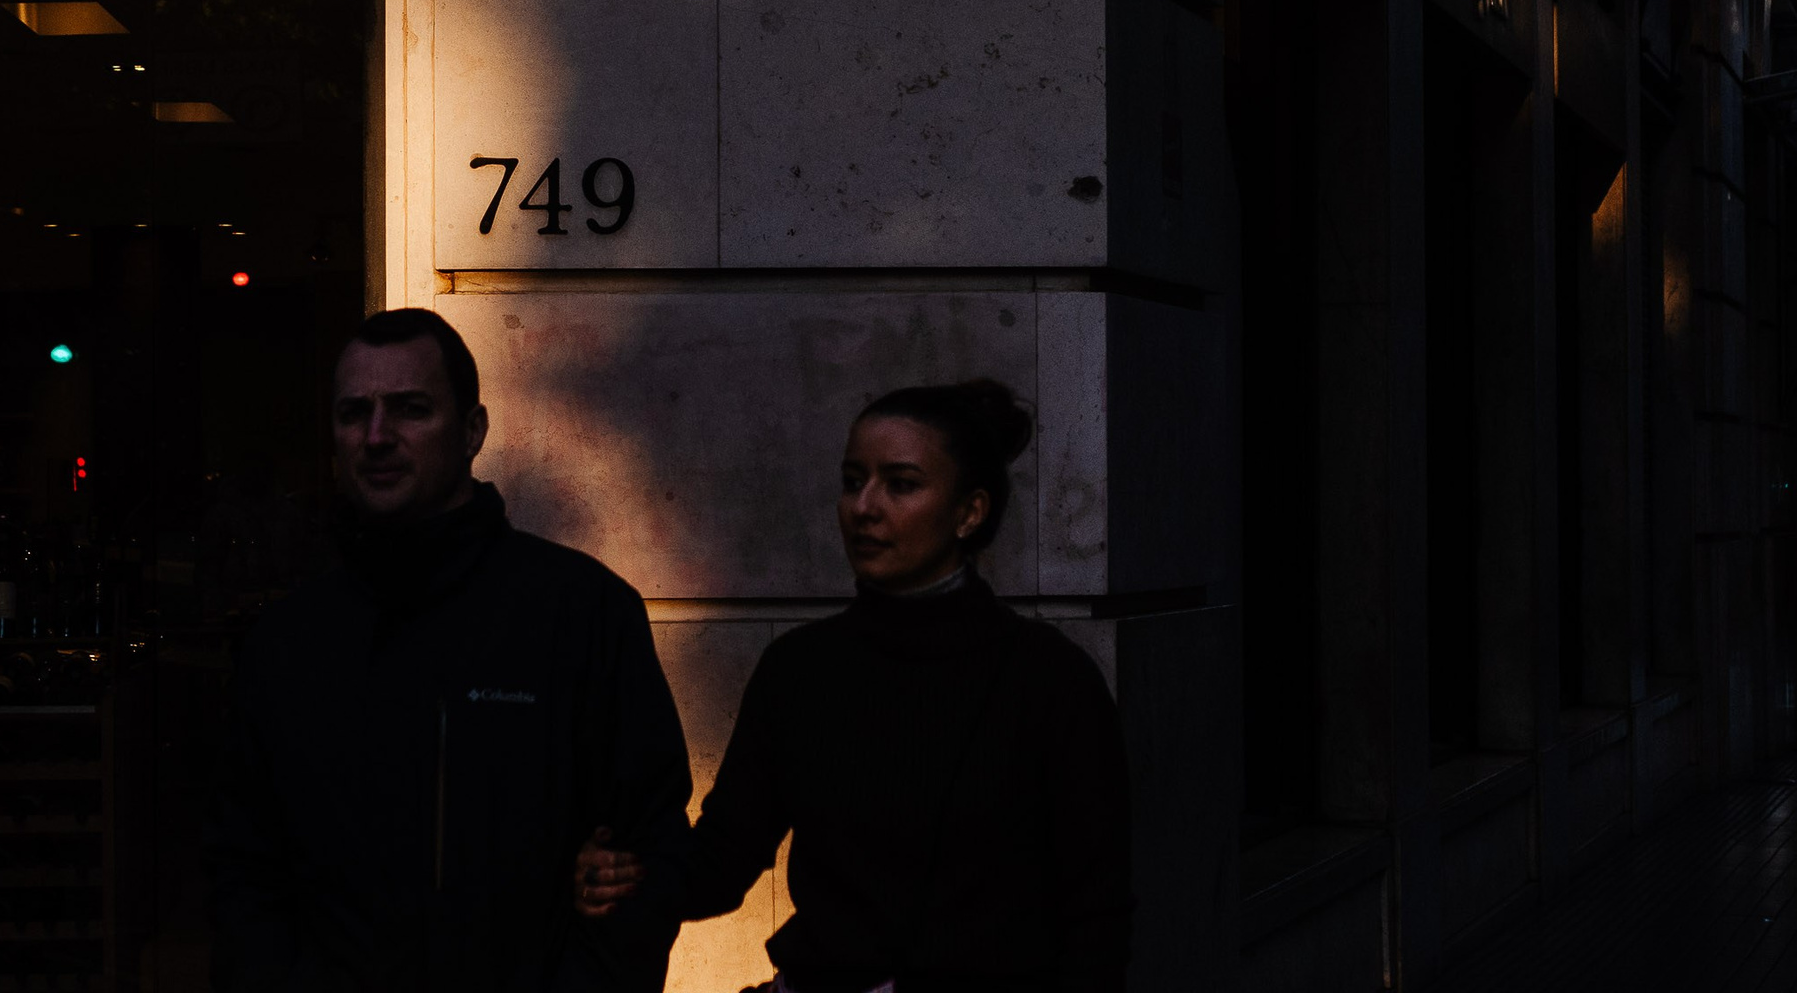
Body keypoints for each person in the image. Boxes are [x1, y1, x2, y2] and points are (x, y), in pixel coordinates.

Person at [575, 378, 1134, 993]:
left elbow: (1097, 910)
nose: (864, 507)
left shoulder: (1049, 681)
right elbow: (722, 859)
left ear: (969, 512)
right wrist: (630, 877)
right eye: (852, 481)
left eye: (901, 484)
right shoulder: (800, 670)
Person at [201, 306, 693, 992]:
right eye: (354, 413)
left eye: (409, 410)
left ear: (472, 431)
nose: (376, 436)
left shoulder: (581, 614)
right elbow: (244, 873)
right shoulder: (286, 645)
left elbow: (645, 854)